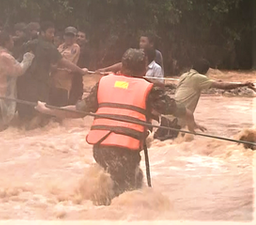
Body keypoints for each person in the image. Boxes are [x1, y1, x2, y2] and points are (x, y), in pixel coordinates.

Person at [35, 49, 196, 205]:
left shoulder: (104, 83)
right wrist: (191, 121)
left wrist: (49, 109)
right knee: (126, 196)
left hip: (100, 148)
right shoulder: (148, 88)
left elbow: (78, 111)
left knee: (125, 185)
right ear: (142, 68)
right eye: (145, 66)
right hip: (124, 149)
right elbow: (176, 109)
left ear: (123, 66)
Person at [154, 59, 255, 141]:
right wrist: (244, 84)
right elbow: (223, 86)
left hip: (167, 117)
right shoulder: (199, 78)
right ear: (204, 72)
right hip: (176, 122)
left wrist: (193, 123)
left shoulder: (184, 76)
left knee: (158, 143)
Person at [16, 21, 88, 130]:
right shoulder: (49, 47)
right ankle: (28, 134)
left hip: (24, 82)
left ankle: (22, 133)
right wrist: (80, 71)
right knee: (41, 111)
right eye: (50, 32)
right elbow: (63, 61)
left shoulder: (30, 44)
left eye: (53, 33)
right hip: (41, 83)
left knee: (29, 111)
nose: (53, 35)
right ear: (42, 33)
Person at [0, 32, 35, 131]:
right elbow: (18, 70)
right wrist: (28, 58)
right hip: (3, 94)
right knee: (5, 123)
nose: (13, 43)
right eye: (11, 40)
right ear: (6, 42)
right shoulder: (5, 57)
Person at [97, 32, 163, 74]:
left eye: (143, 42)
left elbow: (159, 73)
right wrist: (105, 69)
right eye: (140, 41)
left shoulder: (157, 55)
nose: (140, 44)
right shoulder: (137, 54)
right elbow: (124, 64)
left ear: (151, 44)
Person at [51, 26, 81, 107]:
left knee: (62, 100)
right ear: (64, 36)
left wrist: (56, 61)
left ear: (75, 37)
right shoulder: (61, 46)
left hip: (65, 76)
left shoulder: (75, 47)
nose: (69, 38)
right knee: (53, 99)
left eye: (72, 36)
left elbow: (65, 60)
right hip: (55, 75)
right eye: (67, 35)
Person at [70, 30, 90, 104]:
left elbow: (86, 66)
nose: (79, 38)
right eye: (77, 36)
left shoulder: (86, 52)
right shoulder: (68, 48)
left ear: (86, 40)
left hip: (77, 75)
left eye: (82, 36)